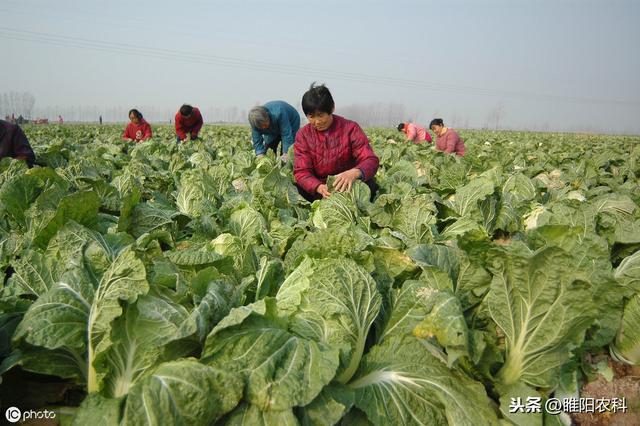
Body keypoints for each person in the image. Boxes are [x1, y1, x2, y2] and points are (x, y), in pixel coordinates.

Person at [294, 83, 379, 202]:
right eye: (311, 116)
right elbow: (302, 171)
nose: (317, 121)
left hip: (348, 187)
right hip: (321, 191)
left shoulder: (350, 128)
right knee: (295, 190)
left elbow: (370, 159)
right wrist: (318, 186)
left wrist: (354, 172)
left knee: (371, 186)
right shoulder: (303, 135)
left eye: (320, 115)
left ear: (332, 108)